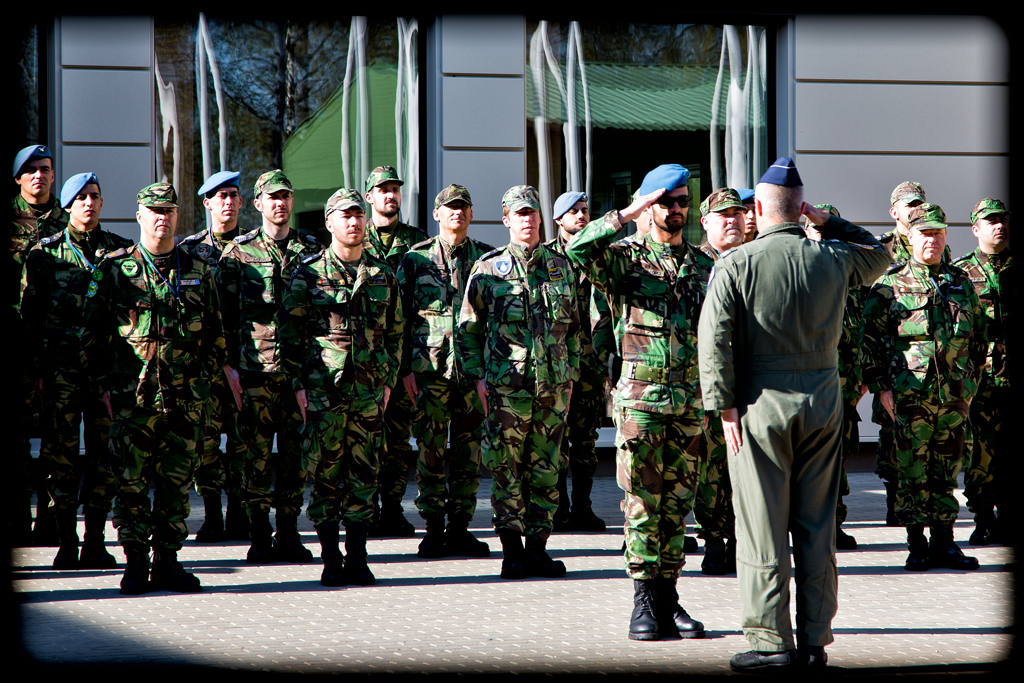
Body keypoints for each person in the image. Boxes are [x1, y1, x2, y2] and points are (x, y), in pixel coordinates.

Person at [698, 157, 889, 671]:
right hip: (824, 401)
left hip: (760, 405)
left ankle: (769, 642)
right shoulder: (831, 256)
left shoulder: (736, 263)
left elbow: (712, 339)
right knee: (816, 525)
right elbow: (881, 255)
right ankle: (813, 640)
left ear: (757, 209)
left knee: (762, 525)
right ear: (802, 208)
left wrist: (724, 406)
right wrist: (830, 222)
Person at [566, 165, 712, 642]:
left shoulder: (702, 265)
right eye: (666, 202)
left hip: (690, 403)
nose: (676, 211)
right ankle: (644, 603)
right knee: (643, 504)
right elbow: (576, 248)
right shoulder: (624, 260)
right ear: (650, 205)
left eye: (682, 202)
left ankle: (669, 598)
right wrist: (627, 214)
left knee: (678, 504)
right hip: (641, 404)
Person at [87, 182, 227, 595]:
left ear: (177, 216)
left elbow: (216, 337)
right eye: (154, 210)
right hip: (133, 402)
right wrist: (105, 391)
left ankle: (168, 561)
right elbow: (93, 336)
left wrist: (204, 387)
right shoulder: (114, 268)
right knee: (130, 486)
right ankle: (134, 564)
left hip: (185, 402)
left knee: (175, 486)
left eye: (169, 210)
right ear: (139, 216)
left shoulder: (199, 270)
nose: (162, 217)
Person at [279, 188, 402, 587]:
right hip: (323, 393)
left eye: (358, 216)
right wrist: (299, 386)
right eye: (345, 216)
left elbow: (396, 332)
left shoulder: (382, 274)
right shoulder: (308, 274)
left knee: (365, 476)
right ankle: (331, 558)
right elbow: (289, 336)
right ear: (329, 223)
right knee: (326, 476)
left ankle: (358, 558)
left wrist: (388, 381)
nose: (354, 222)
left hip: (368, 393)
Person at [456, 185, 579, 580]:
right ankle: (511, 551)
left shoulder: (561, 267)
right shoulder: (488, 269)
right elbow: (468, 329)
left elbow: (574, 330)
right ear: (506, 220)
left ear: (541, 218)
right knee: (506, 468)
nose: (527, 219)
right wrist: (477, 376)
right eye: (519, 213)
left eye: (533, 212)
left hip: (553, 389)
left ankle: (538, 550)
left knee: (547, 469)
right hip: (506, 389)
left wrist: (571, 374)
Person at [863, 202, 986, 574]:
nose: (931, 240)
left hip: (953, 397)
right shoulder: (889, 284)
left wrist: (971, 382)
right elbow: (869, 341)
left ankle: (945, 543)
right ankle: (916, 543)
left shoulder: (962, 284)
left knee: (947, 471)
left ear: (945, 236)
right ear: (910, 237)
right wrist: (881, 387)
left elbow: (979, 339)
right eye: (924, 233)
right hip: (909, 395)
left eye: (937, 233)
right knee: (911, 469)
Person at [21, 172, 133, 569]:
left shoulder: (121, 253)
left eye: (95, 196)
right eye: (81, 197)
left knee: (105, 457)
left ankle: (95, 541)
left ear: (102, 204)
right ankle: (66, 541)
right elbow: (30, 320)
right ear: (67, 205)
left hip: (106, 375)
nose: (89, 202)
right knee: (60, 459)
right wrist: (36, 374)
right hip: (61, 373)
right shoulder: (45, 254)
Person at [217, 170, 323, 564]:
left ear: (292, 203)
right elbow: (222, 317)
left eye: (285, 197)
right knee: (255, 457)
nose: (279, 203)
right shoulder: (238, 254)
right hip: (254, 373)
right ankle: (259, 533)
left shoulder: (313, 251)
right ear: (258, 204)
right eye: (271, 197)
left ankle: (290, 532)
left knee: (295, 457)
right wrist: (228, 366)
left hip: (299, 374)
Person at [396, 184, 493, 559]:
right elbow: (399, 320)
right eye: (450, 207)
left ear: (471, 214)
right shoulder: (414, 260)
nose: (457, 213)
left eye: (463, 207)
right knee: (431, 454)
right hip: (430, 375)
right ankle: (433, 530)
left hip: (473, 376)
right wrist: (404, 368)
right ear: (436, 214)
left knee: (469, 456)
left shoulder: (487, 259)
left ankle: (460, 529)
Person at [179, 170, 248, 543]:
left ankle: (238, 512)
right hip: (205, 367)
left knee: (241, 442)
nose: (227, 201)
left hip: (246, 362)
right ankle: (211, 515)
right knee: (206, 443)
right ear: (207, 203)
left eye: (233, 195)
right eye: (219, 196)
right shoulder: (189, 251)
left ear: (240, 202)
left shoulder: (255, 248)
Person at [362, 165, 426, 537]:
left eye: (395, 189)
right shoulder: (354, 239)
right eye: (382, 190)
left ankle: (393, 508)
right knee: (366, 437)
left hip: (406, 362)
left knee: (399, 440)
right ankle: (364, 508)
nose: (390, 195)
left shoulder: (418, 245)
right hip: (366, 360)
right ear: (369, 196)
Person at [9, 144, 69, 546]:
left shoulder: (69, 222)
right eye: (30, 170)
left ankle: (50, 522)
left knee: (57, 440)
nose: (39, 176)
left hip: (57, 349)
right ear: (18, 178)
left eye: (45, 169)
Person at [803, 204, 866, 551]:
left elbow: (862, 337)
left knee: (836, 463)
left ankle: (833, 525)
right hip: (809, 387)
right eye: (814, 229)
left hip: (844, 389)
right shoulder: (801, 273)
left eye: (827, 230)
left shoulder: (850, 279)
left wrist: (860, 385)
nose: (821, 236)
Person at [546, 190, 607, 533]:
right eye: (574, 211)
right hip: (557, 365)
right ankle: (558, 508)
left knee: (586, 440)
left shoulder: (598, 256)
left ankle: (583, 506)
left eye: (585, 210)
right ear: (558, 220)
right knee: (556, 438)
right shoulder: (547, 258)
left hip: (591, 363)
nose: (581, 216)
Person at [693, 188, 747, 575]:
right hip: (706, 387)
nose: (733, 220)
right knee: (711, 466)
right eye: (723, 215)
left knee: (746, 465)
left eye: (738, 214)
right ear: (706, 222)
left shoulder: (755, 260)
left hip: (752, 383)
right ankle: (714, 540)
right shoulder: (694, 265)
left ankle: (743, 540)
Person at [955, 198, 1011, 545]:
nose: (999, 226)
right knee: (979, 451)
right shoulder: (961, 274)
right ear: (976, 229)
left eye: (1003, 220)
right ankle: (983, 515)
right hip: (979, 381)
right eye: (991, 221)